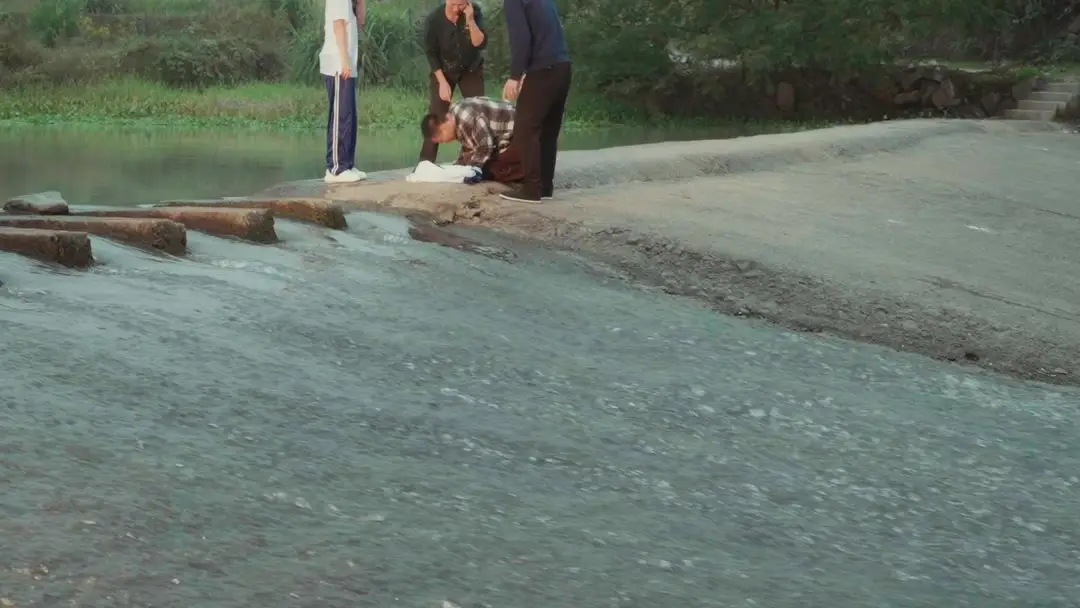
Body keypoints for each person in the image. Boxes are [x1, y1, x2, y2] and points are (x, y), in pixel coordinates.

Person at [499, 0, 571, 203]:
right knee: (548, 130)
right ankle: (545, 187)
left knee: (525, 127)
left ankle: (531, 189)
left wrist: (515, 75)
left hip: (543, 68)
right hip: (562, 66)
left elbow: (521, 37)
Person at [420, 0, 488, 163]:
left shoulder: (474, 12)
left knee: (478, 111)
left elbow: (480, 43)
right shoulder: (434, 19)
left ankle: (479, 159)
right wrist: (442, 82)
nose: (457, 9)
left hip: (470, 69)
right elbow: (431, 53)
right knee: (436, 114)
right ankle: (425, 162)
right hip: (444, 70)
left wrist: (470, 20)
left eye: (462, 5)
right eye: (454, 5)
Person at [420, 96, 524, 184]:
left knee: (492, 171)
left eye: (442, 135)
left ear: (448, 118)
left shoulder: (466, 116)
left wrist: (470, 170)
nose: (445, 141)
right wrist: (456, 168)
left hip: (520, 132)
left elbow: (485, 147)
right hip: (500, 137)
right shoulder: (456, 116)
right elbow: (469, 148)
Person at [319, 0, 366, 183]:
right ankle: (335, 168)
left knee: (349, 116)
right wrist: (344, 60)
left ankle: (347, 164)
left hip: (347, 64)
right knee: (340, 116)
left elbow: (360, 22)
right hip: (338, 64)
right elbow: (338, 25)